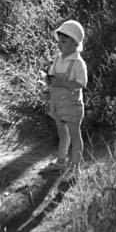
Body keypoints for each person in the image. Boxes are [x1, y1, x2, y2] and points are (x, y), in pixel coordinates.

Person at [45, 19, 88, 174]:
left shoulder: (78, 63)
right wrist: (48, 79)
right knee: (63, 134)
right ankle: (61, 161)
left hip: (72, 105)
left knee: (75, 135)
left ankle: (76, 166)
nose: (60, 45)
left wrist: (61, 82)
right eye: (59, 41)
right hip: (57, 103)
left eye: (64, 42)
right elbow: (51, 75)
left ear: (76, 44)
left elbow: (81, 84)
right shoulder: (58, 58)